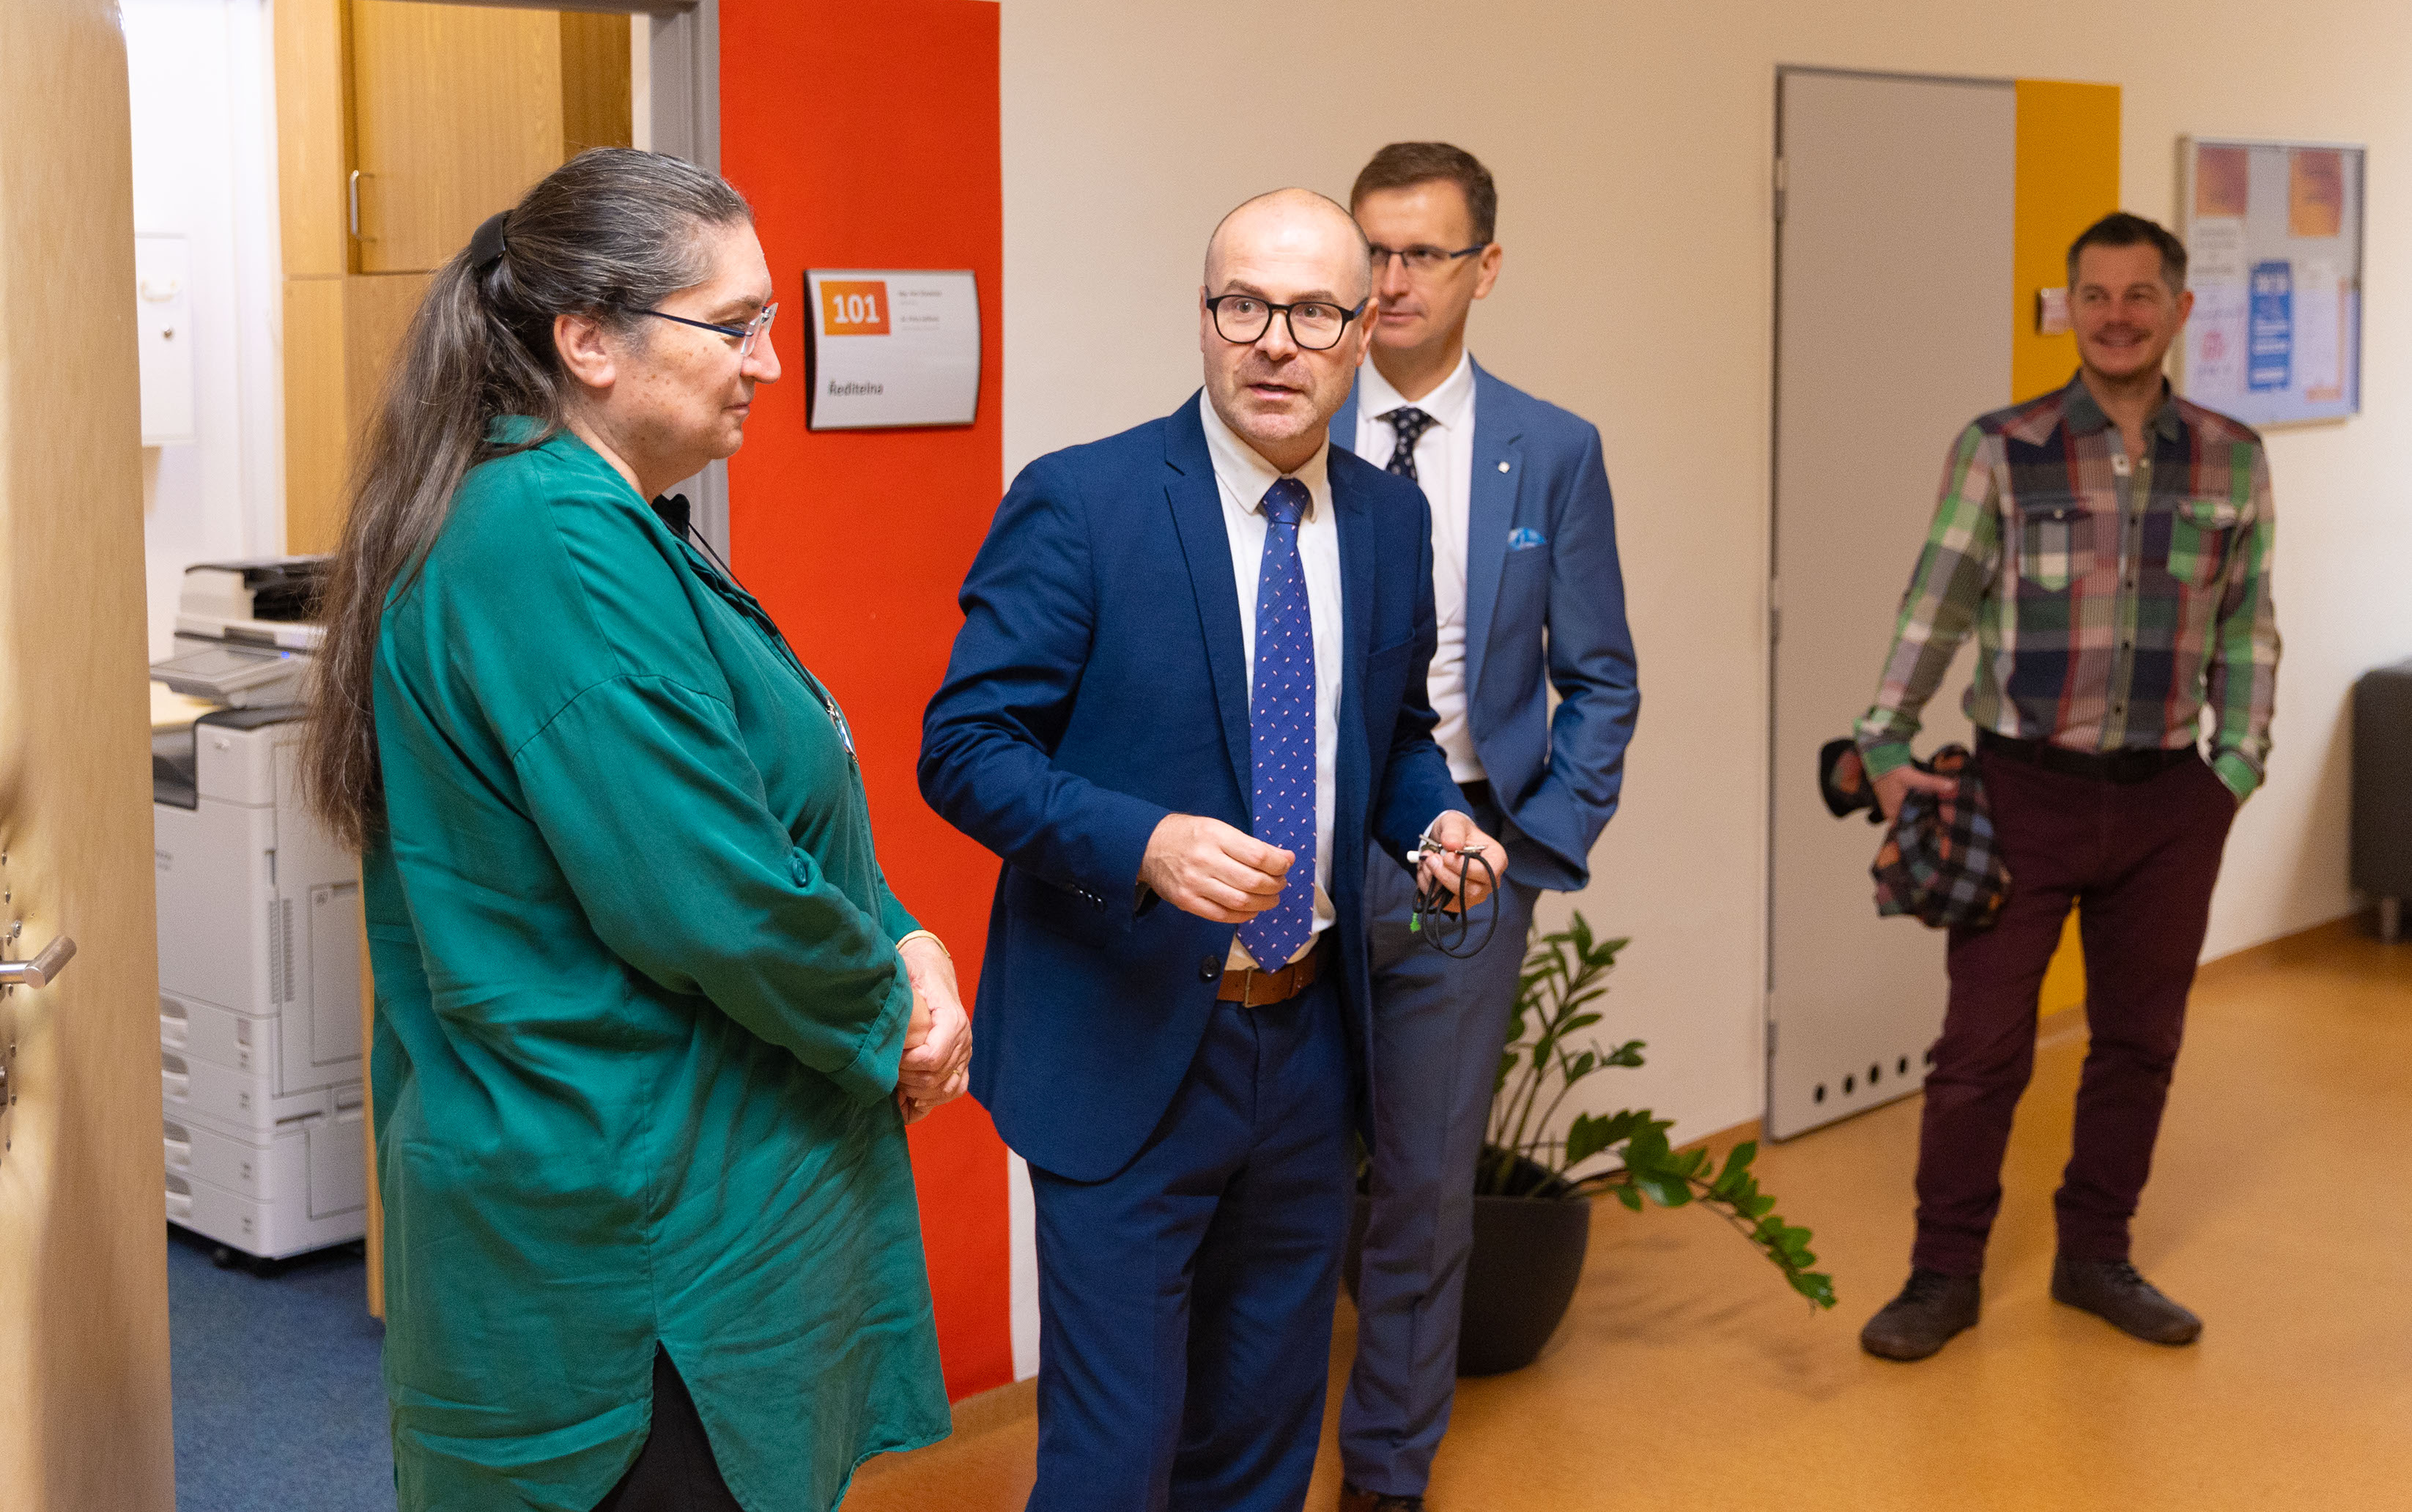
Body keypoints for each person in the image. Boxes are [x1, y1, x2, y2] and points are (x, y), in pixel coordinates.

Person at [301, 147, 970, 1511]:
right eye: (733, 326)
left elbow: (753, 794)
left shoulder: (613, 520)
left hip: (673, 1185)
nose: (767, 362)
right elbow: (704, 888)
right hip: (629, 1226)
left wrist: (905, 936)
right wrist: (888, 1017)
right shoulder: (549, 536)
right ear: (589, 341)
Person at [919, 188, 1501, 1512]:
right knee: (1115, 1458)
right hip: (1124, 1047)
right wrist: (1145, 843)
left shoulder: (1390, 523)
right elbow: (965, 746)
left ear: (1363, 331)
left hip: (1306, 1048)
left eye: (1312, 313)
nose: (1274, 341)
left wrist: (1434, 820)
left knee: (1260, 1446)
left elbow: (1392, 735)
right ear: (1203, 317)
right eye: (1244, 305)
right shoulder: (1085, 501)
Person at [1852, 211, 2277, 1362]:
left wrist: (2235, 767)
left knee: (2139, 1043)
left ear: (2180, 309)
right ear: (2069, 307)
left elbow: (2248, 626)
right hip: (2020, 795)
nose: (2116, 316)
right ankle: (1943, 1273)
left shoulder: (2234, 457)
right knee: (1980, 1052)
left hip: (2169, 802)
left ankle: (2096, 1253)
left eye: (2140, 295)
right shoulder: (2003, 447)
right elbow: (1936, 602)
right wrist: (1884, 742)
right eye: (2096, 294)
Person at [1330, 144, 1639, 1512]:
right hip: (1294, 858)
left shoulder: (1550, 450)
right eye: (1373, 252)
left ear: (1485, 269)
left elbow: (1602, 676)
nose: (1391, 280)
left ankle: (1388, 1471)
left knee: (1422, 1190)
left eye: (1423, 254)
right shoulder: (1289, 413)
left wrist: (1535, 845)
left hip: (1464, 864)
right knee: (1276, 1171)